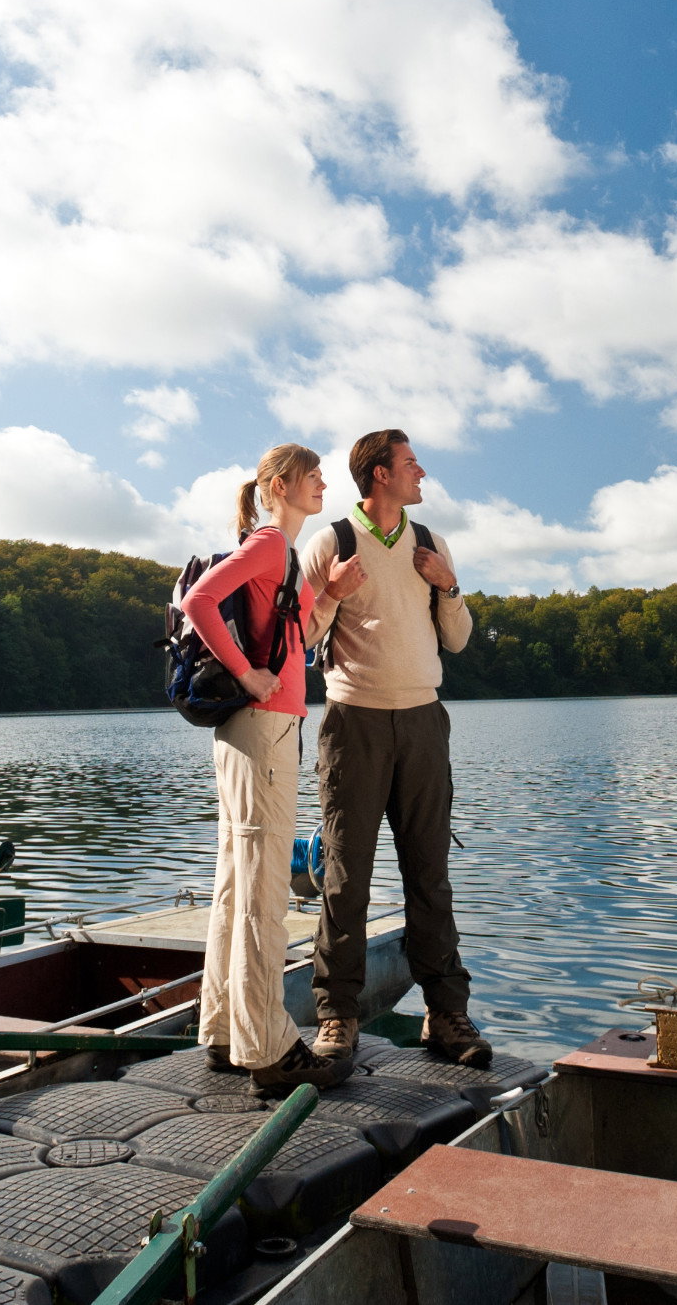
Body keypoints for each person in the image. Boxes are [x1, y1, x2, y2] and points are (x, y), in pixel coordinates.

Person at [177, 442, 367, 1090]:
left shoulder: (281, 556)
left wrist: (328, 593)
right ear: (280, 485)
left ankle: (224, 1030)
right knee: (262, 893)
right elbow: (199, 601)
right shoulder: (266, 545)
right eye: (313, 475)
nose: (323, 485)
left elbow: (295, 640)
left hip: (254, 730)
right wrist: (245, 673)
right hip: (262, 729)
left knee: (237, 885)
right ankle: (270, 1049)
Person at [300, 428, 491, 1067]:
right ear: (380, 474)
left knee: (429, 874)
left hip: (423, 724)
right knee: (345, 877)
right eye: (411, 463)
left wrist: (449, 585)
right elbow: (300, 638)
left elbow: (457, 640)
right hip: (353, 724)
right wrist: (332, 593)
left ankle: (446, 1014)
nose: (422, 472)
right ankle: (337, 1017)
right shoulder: (331, 542)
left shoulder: (430, 543)